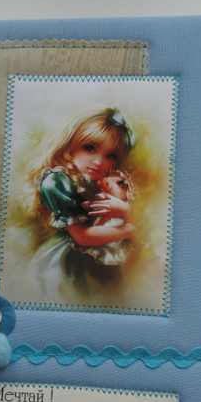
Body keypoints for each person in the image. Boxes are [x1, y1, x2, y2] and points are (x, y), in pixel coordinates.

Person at [28, 108, 137, 302]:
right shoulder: (58, 182)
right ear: (69, 146)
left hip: (97, 263)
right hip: (67, 262)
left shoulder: (98, 184)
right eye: (89, 147)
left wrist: (125, 212)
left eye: (110, 156)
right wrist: (127, 230)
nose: (98, 162)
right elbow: (82, 237)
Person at [79, 169, 137, 266]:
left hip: (114, 240)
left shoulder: (125, 205)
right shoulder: (103, 196)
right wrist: (90, 203)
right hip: (99, 231)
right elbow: (97, 203)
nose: (108, 182)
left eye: (120, 184)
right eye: (107, 177)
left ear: (129, 193)